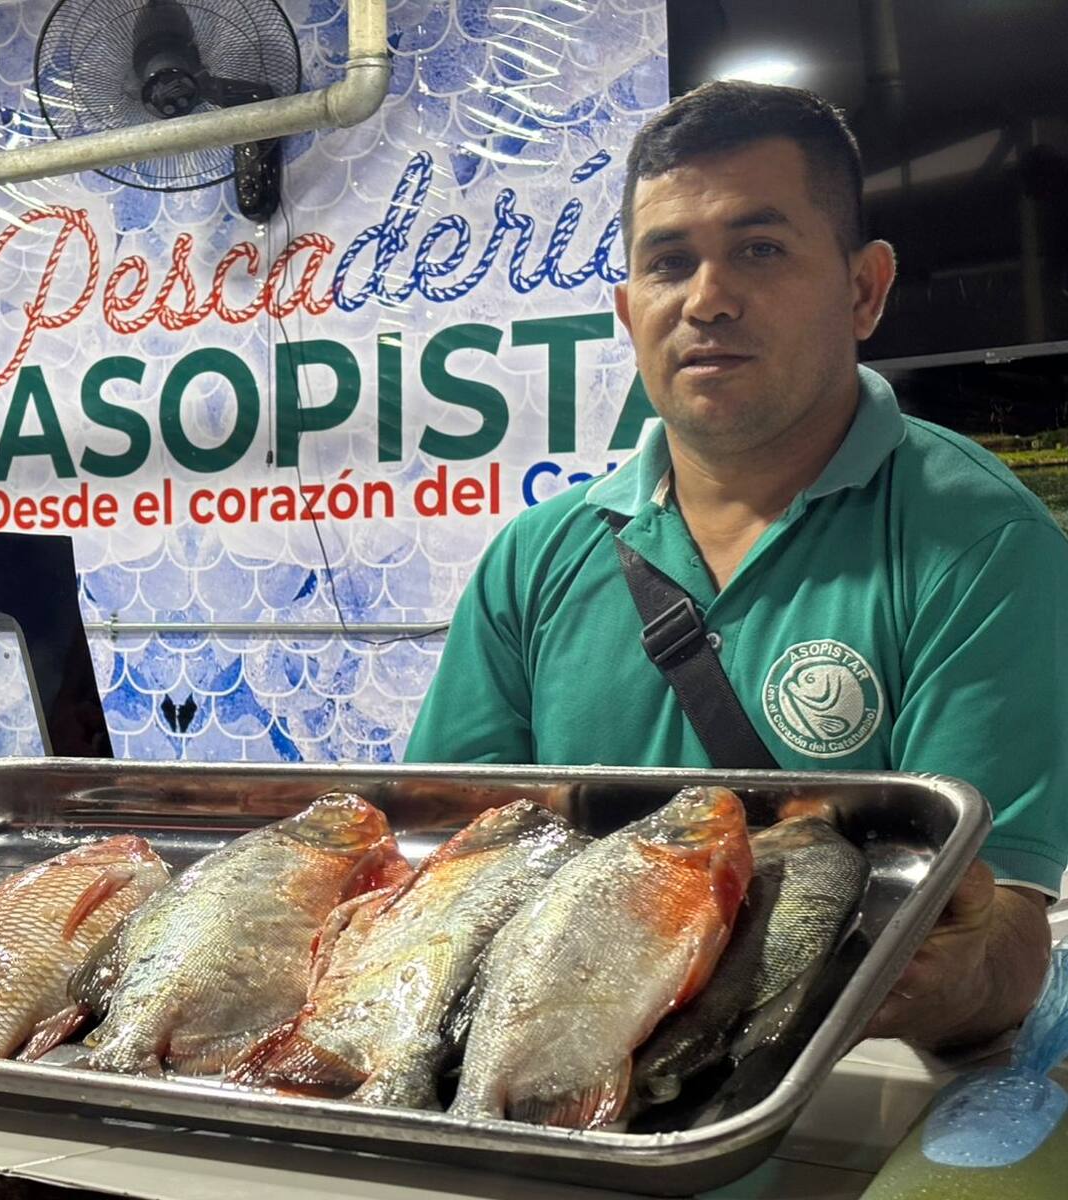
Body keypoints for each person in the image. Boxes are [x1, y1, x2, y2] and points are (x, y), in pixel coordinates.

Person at [404, 80, 1068, 1049]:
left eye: (760, 249)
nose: (708, 299)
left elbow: (1005, 928)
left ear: (864, 290)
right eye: (670, 262)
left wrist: (953, 978)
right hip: (548, 1055)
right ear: (631, 314)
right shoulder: (537, 558)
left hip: (831, 1090)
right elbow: (454, 855)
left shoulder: (976, 539)